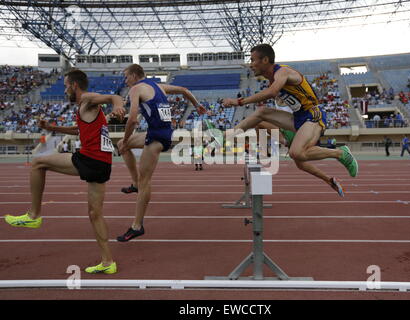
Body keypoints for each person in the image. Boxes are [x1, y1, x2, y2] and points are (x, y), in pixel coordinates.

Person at [4, 69, 126, 274]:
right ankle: (108, 262)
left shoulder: (87, 99)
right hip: (102, 164)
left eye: (65, 85)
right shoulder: (85, 109)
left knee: (38, 163)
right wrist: (53, 127)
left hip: (89, 159)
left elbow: (114, 96)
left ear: (74, 86)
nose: (64, 89)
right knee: (95, 214)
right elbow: (79, 130)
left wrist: (119, 107)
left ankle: (34, 215)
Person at [221, 44, 358, 197]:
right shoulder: (272, 78)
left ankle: (340, 153)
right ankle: (227, 135)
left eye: (253, 60)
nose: (250, 64)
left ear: (265, 60)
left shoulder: (282, 72)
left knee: (296, 153)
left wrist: (238, 102)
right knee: (261, 113)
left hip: (313, 114)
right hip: (298, 117)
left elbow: (272, 92)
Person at [116, 64, 205, 241]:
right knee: (121, 145)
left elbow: (132, 120)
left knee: (145, 180)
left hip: (156, 136)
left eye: (126, 77)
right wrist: (197, 105)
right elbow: (184, 90)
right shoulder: (158, 86)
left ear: (134, 75)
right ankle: (134, 183)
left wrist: (127, 139)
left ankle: (137, 225)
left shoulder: (136, 89)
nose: (125, 81)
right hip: (162, 133)